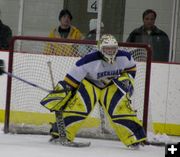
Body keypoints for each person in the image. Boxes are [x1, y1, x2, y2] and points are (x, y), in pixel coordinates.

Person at [40, 34, 146, 148]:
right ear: (100, 49)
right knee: (79, 106)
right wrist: (62, 92)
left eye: (113, 48)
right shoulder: (88, 60)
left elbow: (131, 68)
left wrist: (127, 79)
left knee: (120, 108)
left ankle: (134, 138)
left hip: (112, 84)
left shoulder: (125, 57)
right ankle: (60, 134)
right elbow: (70, 81)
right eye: (107, 49)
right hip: (91, 84)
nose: (110, 52)